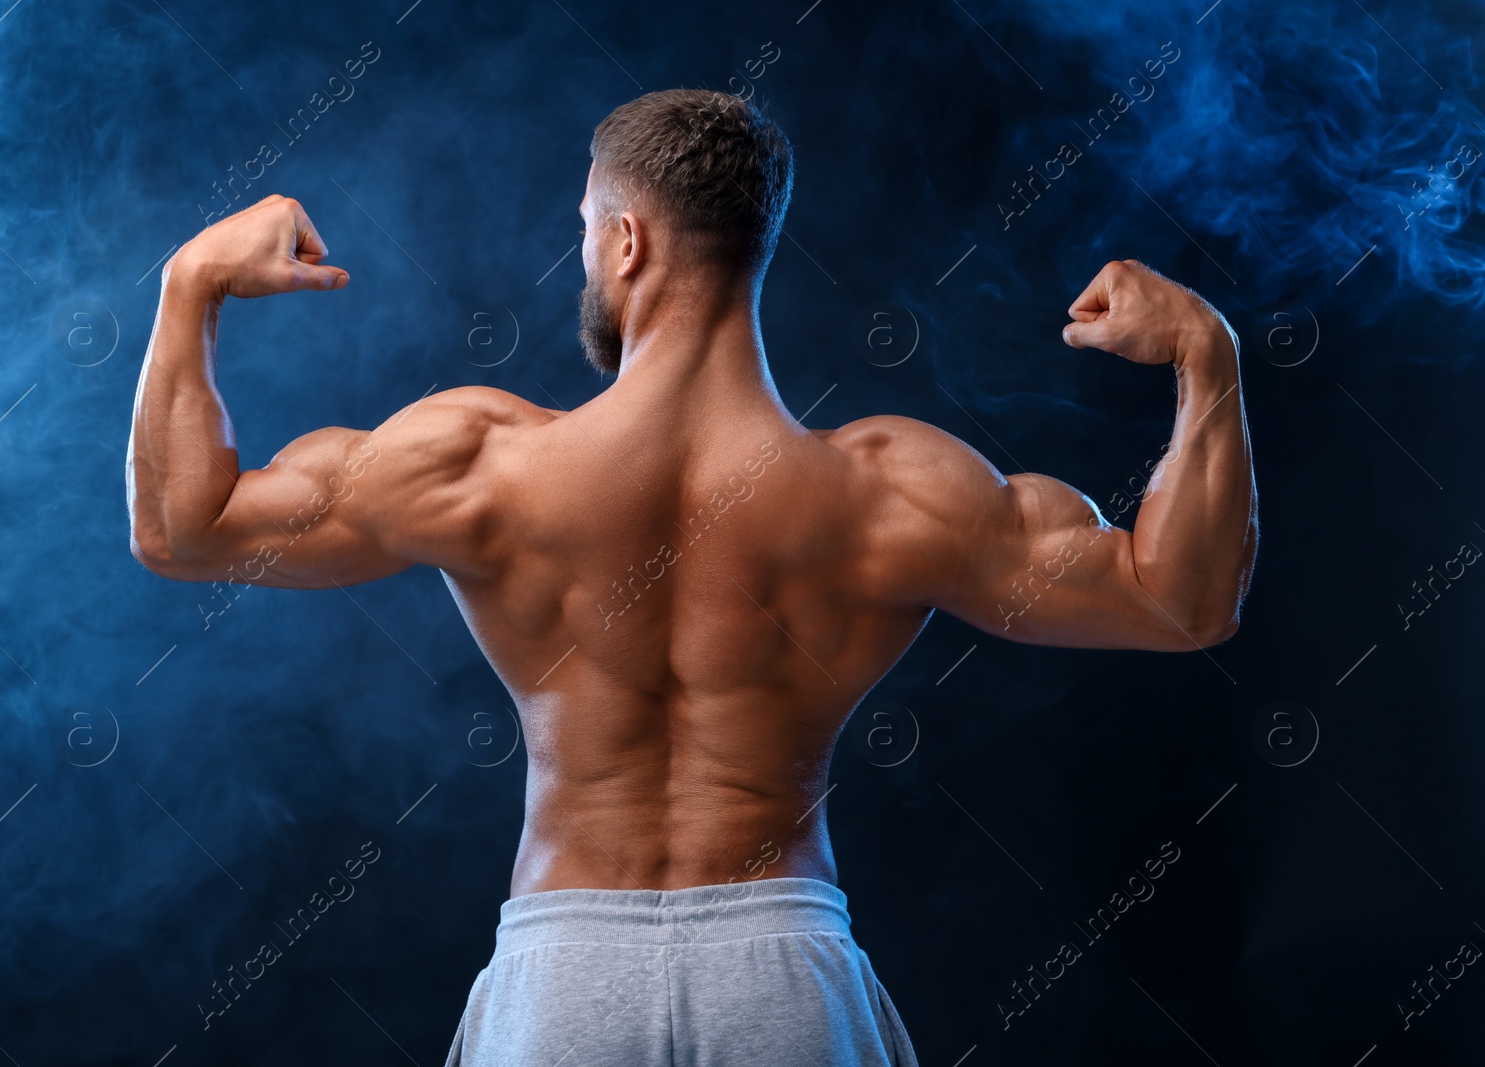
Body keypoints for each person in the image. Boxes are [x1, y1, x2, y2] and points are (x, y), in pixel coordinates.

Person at [126, 88, 1256, 1066]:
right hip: (782, 968)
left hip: (567, 978)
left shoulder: (479, 461)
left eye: (582, 228)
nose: (581, 255)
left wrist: (190, 286)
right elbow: (1179, 598)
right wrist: (1206, 356)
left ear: (625, 241)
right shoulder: (888, 491)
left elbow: (187, 527)